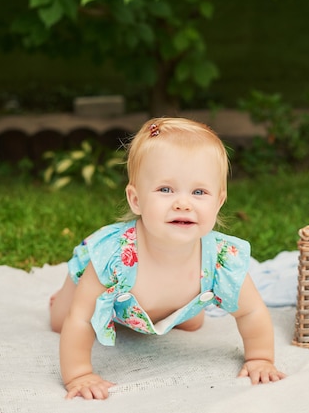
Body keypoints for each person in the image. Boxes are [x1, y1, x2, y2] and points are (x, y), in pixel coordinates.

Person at [49, 117, 286, 400]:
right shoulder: (113, 255)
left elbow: (251, 311)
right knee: (62, 320)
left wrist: (260, 358)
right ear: (135, 200)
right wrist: (79, 374)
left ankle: (177, 309)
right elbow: (82, 320)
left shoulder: (221, 259)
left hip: (171, 301)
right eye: (165, 189)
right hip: (102, 287)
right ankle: (64, 296)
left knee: (193, 324)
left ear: (219, 201)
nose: (183, 203)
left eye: (199, 192)